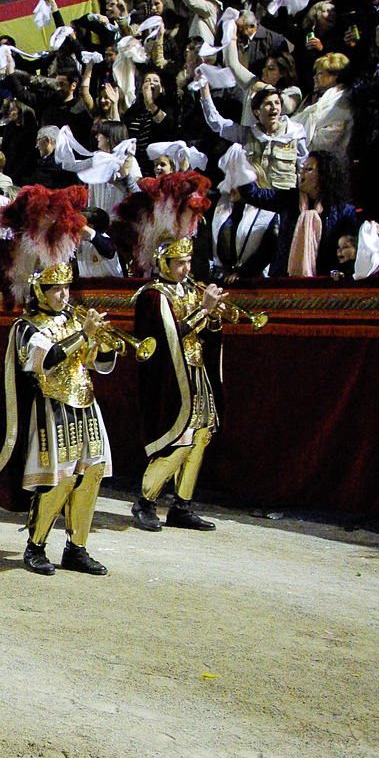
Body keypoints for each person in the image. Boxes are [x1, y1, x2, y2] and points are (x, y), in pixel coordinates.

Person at [0, 186, 115, 575]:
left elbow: (100, 363)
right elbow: (45, 362)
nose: (63, 294)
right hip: (49, 412)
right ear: (39, 289)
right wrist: (83, 337)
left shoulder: (75, 318)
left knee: (89, 474)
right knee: (57, 477)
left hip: (85, 406)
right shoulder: (26, 326)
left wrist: (104, 345)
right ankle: (36, 544)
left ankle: (77, 546)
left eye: (66, 287)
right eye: (55, 288)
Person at [112, 172, 224, 533]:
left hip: (197, 372)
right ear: (163, 264)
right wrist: (204, 311)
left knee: (202, 434)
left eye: (188, 263)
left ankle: (182, 504)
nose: (186, 269)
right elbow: (168, 336)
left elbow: (204, 334)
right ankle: (146, 499)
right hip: (171, 377)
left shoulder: (190, 290)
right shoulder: (153, 295)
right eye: (179, 264)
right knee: (180, 440)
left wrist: (214, 318)